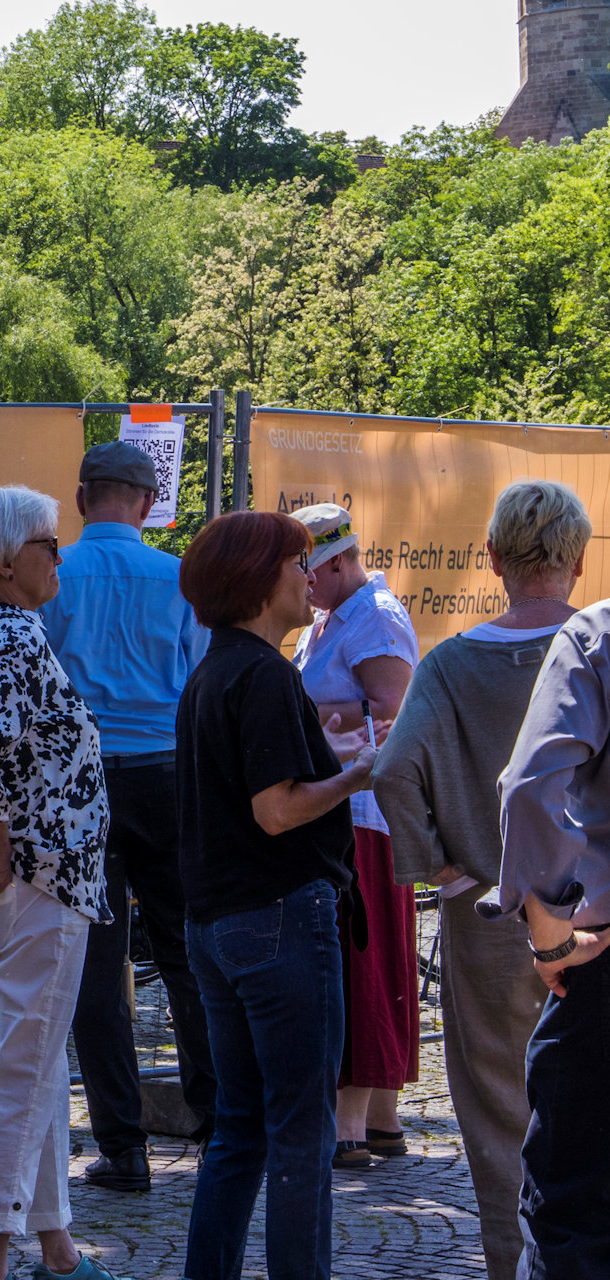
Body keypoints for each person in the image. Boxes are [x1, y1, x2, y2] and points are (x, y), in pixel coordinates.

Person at [372, 479, 589, 1280]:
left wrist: (442, 870)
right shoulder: (598, 648)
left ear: (492, 556)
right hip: (597, 914)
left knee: (503, 1116)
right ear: (577, 557)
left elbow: (394, 770)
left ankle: (518, 1265)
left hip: (492, 914)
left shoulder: (452, 664)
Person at [175, 511, 375, 1280]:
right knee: (301, 1134)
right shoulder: (260, 675)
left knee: (241, 1128)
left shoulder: (214, 670)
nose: (307, 575)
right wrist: (360, 773)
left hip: (220, 926)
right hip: (278, 917)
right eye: (297, 562)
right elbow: (277, 808)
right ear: (260, 580)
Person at [0, 485, 124, 1280]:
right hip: (39, 879)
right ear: (9, 561)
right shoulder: (13, 638)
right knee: (21, 1070)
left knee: (36, 1062)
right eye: (51, 544)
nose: (61, 558)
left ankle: (57, 1250)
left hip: (24, 881)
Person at [39, 441, 215, 1192]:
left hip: (84, 781)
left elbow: (40, 687)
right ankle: (217, 1124)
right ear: (147, 505)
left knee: (97, 967)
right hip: (167, 776)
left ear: (82, 500)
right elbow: (202, 679)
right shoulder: (181, 580)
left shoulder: (53, 580)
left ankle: (122, 1146)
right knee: (189, 955)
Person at [287, 502, 421, 1169]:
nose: (304, 584)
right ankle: (380, 1119)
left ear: (339, 562)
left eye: (310, 571)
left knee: (361, 963)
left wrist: (299, 714)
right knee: (364, 961)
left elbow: (395, 714)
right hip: (347, 810)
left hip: (365, 815)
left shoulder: (374, 617)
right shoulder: (332, 621)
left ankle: (352, 1125)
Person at [489, 591, 610, 1277]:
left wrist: (551, 931)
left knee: (574, 1217)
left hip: (600, 973)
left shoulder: (598, 636)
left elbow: (531, 785)